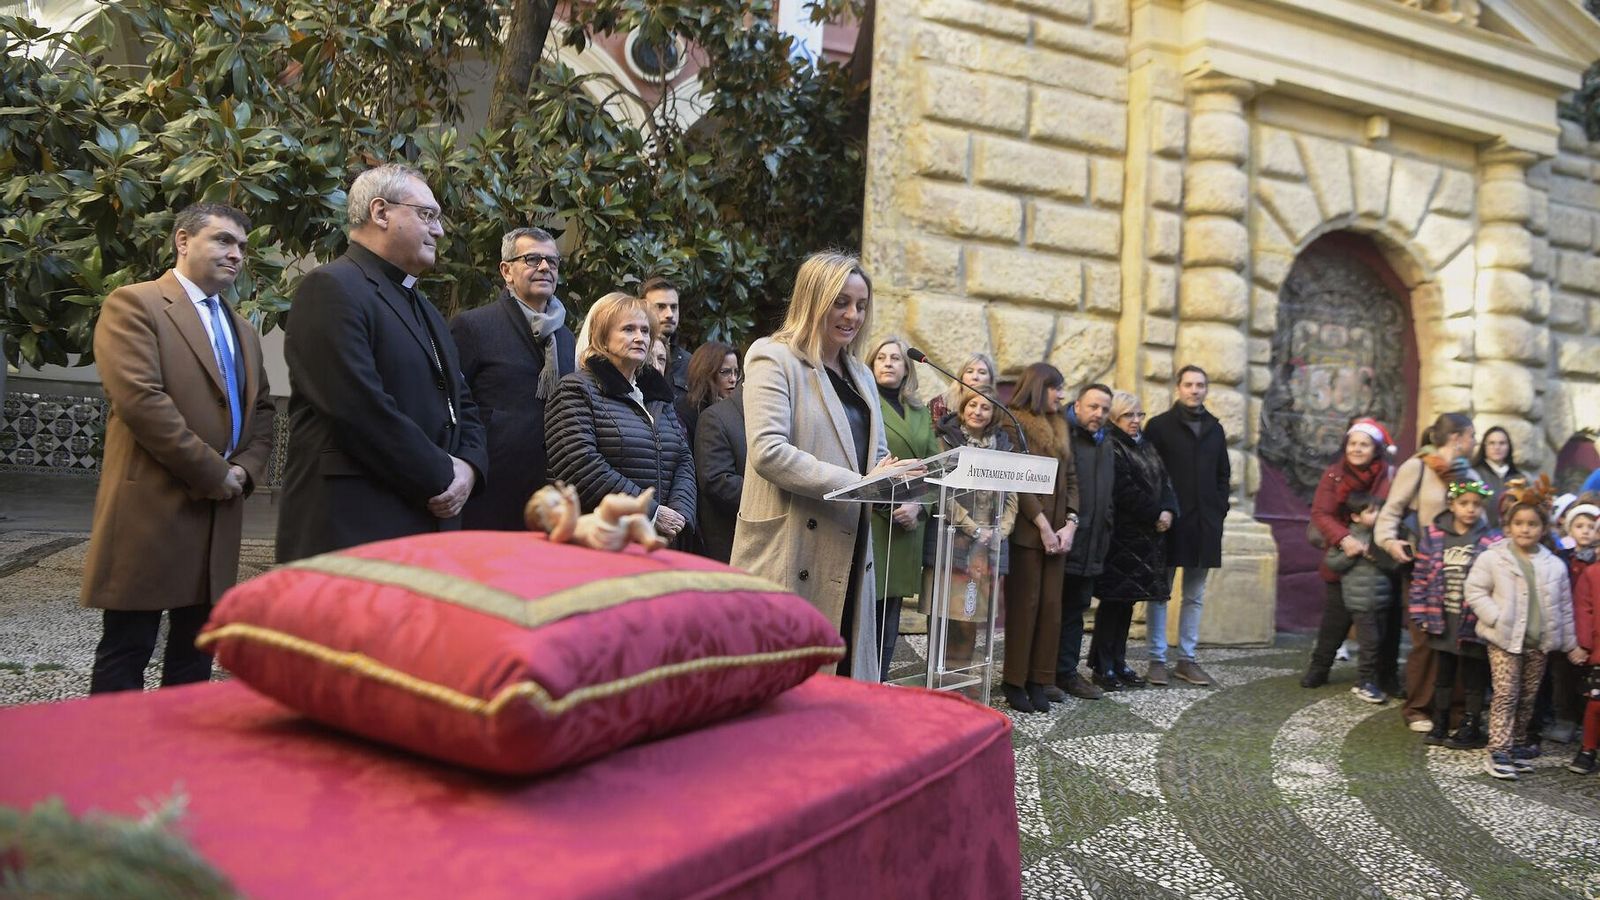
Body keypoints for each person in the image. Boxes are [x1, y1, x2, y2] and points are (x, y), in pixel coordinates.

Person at [80, 202, 277, 693]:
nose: (236, 255)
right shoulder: (135, 304)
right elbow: (141, 401)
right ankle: (111, 742)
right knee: (127, 649)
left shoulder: (243, 330)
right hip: (152, 507)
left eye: (242, 247)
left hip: (219, 515)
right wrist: (214, 473)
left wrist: (245, 471)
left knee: (195, 656)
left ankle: (178, 742)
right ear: (183, 241)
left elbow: (263, 412)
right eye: (223, 240)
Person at [277, 163, 487, 562]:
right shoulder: (331, 288)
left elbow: (462, 401)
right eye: (427, 215)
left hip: (426, 521)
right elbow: (358, 408)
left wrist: (470, 467)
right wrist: (444, 475)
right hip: (355, 523)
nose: (439, 231)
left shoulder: (424, 306)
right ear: (380, 212)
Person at [731, 251, 901, 681]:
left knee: (841, 681)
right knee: (789, 688)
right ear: (813, 298)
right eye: (841, 302)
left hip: (850, 546)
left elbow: (877, 455)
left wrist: (902, 481)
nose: (853, 315)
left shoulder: (862, 374)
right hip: (792, 547)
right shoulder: (772, 356)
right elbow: (768, 451)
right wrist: (859, 483)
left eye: (861, 305)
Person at [449, 227, 576, 530]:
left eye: (552, 261)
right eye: (532, 259)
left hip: (549, 491)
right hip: (488, 488)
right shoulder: (473, 326)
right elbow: (451, 404)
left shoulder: (565, 337)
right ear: (506, 271)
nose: (544, 267)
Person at [544, 292, 695, 545]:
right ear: (602, 338)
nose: (640, 338)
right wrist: (650, 513)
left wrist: (679, 516)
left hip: (659, 540)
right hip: (600, 539)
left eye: (645, 331)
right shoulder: (575, 390)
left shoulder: (658, 396)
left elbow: (684, 459)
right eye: (628, 329)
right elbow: (578, 465)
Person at [1465, 491, 1585, 779]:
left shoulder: (1554, 565)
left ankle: (1516, 744)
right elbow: (1475, 590)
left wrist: (1570, 643)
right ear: (1508, 526)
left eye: (1532, 524)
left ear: (1543, 529)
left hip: (1538, 643)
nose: (1525, 529)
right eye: (1519, 523)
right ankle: (1498, 749)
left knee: (1528, 697)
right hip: (1504, 640)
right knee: (1506, 694)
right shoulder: (1494, 558)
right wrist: (1495, 617)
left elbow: (1564, 607)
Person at [1377, 412, 1479, 730]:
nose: (1475, 442)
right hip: (1425, 565)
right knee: (1425, 637)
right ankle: (1418, 707)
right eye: (1472, 436)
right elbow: (1392, 510)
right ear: (1457, 438)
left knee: (1459, 636)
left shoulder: (1470, 473)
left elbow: (1480, 518)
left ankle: (1454, 709)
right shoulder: (1417, 467)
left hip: (1462, 565)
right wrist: (1389, 541)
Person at [923, 388, 1019, 680]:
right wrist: (973, 528)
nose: (978, 411)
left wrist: (1000, 531)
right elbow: (941, 490)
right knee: (944, 618)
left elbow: (1012, 495)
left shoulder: (1003, 447)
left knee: (970, 617)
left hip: (987, 548)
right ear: (963, 409)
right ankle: (937, 678)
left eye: (985, 407)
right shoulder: (945, 441)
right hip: (954, 541)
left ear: (994, 414)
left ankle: (961, 679)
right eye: (973, 405)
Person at [1144, 365, 1230, 687]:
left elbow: (1223, 474)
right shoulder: (1159, 427)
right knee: (1159, 593)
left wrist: (1219, 509)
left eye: (1200, 385)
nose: (1195, 390)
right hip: (1169, 522)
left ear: (1206, 389)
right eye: (1189, 384)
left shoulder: (1215, 429)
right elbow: (1150, 472)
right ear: (1178, 388)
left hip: (1205, 525)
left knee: (1194, 595)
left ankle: (1187, 659)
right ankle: (1156, 659)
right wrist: (1160, 510)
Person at [1001, 363, 1080, 711]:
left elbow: (1072, 477)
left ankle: (1039, 679)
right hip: (1028, 533)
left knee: (1050, 609)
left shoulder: (1060, 424)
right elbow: (1017, 479)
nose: (1061, 395)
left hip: (1060, 534)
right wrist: (1044, 527)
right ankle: (1014, 681)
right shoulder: (1013, 421)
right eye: (1056, 388)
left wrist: (1071, 523)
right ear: (1038, 387)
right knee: (1025, 607)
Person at [1092, 391, 1177, 690]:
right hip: (1121, 538)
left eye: (1139, 414)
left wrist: (1169, 510)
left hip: (1145, 539)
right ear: (1115, 417)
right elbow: (1124, 489)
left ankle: (1118, 661)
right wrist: (1156, 513)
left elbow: (1164, 481)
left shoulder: (1145, 445)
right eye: (1128, 415)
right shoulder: (1111, 445)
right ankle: (1102, 665)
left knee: (1127, 603)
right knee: (1112, 603)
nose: (1135, 420)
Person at [1303, 419, 1395, 688]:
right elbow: (1321, 512)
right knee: (1335, 618)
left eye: (1364, 444)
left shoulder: (1389, 476)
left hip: (1378, 556)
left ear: (1375, 449)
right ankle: (1319, 668)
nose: (1357, 449)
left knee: (1384, 622)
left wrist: (1377, 539)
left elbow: (1395, 510)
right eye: (1353, 443)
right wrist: (1344, 539)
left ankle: (1384, 676)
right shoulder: (1334, 474)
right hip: (1341, 550)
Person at [868, 336, 940, 679]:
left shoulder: (920, 412)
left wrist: (919, 507)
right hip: (875, 520)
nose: (888, 362)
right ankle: (857, 685)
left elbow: (936, 468)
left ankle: (879, 682)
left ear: (907, 368)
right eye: (881, 357)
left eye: (895, 358)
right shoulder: (864, 403)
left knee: (891, 612)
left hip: (909, 525)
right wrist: (892, 504)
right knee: (867, 610)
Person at [1409, 480, 1499, 749]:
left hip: (1473, 622)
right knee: (1443, 675)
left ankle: (1470, 726)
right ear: (1452, 505)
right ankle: (1440, 722)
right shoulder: (1434, 536)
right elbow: (1421, 577)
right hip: (1442, 621)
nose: (1470, 509)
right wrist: (1420, 613)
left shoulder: (1491, 539)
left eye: (1476, 505)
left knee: (1474, 676)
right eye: (1464, 503)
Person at [1057, 383, 1116, 696]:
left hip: (1094, 541)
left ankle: (1066, 672)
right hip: (1065, 539)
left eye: (1105, 409)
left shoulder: (1105, 441)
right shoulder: (1063, 434)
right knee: (1054, 610)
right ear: (1077, 405)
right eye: (1093, 407)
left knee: (1077, 610)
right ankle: (1045, 673)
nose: (1099, 414)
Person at [1317, 494, 1401, 704]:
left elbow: (1395, 566)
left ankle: (1377, 679)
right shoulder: (1347, 538)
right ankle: (1364, 682)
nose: (1377, 515)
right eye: (1371, 511)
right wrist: (1351, 554)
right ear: (1355, 516)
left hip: (1382, 600)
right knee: (1369, 644)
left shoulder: (1383, 538)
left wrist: (1379, 558)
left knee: (1380, 643)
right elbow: (1332, 564)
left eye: (1379, 510)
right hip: (1359, 602)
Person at [694, 383, 746, 564]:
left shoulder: (779, 416)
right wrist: (771, 496)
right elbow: (716, 480)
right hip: (732, 543)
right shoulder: (716, 418)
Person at [1568, 536, 1600, 774]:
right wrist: (1585, 645)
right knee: (1596, 703)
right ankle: (1588, 749)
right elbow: (1583, 609)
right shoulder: (1592, 573)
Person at [675, 340, 739, 449]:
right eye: (725, 372)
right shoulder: (685, 412)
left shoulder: (734, 411)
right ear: (706, 373)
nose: (733, 379)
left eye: (736, 372)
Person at [641, 276, 690, 395]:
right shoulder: (632, 355)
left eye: (674, 307)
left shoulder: (690, 364)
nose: (669, 314)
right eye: (660, 307)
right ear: (643, 309)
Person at [1473, 426, 1525, 527]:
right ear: (1484, 446)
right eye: (1492, 443)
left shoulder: (1519, 478)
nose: (1497, 447)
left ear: (1509, 447)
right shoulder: (1475, 475)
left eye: (1502, 443)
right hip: (1481, 531)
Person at [928, 352, 997, 423]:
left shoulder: (998, 408)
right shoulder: (939, 404)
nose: (975, 377)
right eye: (970, 371)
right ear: (961, 377)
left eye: (982, 372)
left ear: (990, 380)